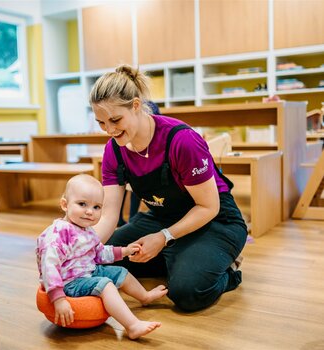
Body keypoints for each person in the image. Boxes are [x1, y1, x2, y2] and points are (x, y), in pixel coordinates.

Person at [89, 64, 248, 313]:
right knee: (99, 259)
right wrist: (81, 248)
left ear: (136, 106)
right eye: (101, 123)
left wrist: (164, 238)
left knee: (187, 293)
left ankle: (226, 268)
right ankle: (180, 258)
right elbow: (109, 215)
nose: (109, 130)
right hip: (162, 218)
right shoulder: (113, 150)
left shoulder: (181, 140)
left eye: (115, 120)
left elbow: (209, 206)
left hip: (215, 221)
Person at [35, 174, 168, 339]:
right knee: (106, 285)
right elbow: (49, 266)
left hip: (87, 272)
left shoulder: (87, 230)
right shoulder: (59, 233)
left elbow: (100, 253)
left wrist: (124, 251)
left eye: (97, 207)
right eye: (82, 204)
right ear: (64, 204)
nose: (90, 212)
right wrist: (58, 298)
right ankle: (132, 326)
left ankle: (145, 296)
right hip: (69, 283)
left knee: (120, 272)